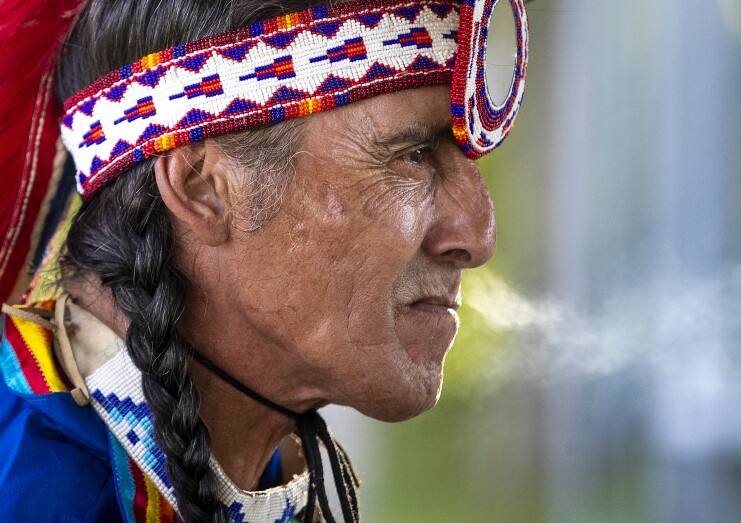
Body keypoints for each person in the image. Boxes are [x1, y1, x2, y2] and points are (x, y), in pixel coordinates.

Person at [0, 0, 528, 521]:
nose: (478, 236)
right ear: (203, 188)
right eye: (414, 156)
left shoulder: (255, 464)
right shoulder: (35, 495)